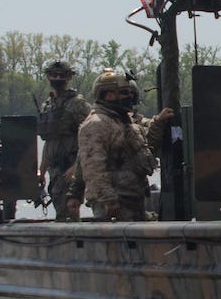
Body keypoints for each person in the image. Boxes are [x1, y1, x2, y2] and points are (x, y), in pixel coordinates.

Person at [75, 70, 175, 220]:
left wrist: (158, 123)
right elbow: (93, 168)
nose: (128, 97)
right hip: (113, 205)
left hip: (134, 200)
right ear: (108, 95)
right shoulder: (97, 124)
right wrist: (109, 200)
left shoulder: (124, 122)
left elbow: (145, 146)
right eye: (123, 93)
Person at [36, 59, 90, 220]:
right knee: (60, 209)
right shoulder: (48, 105)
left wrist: (76, 167)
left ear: (69, 78)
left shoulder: (77, 104)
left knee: (68, 211)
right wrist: (42, 170)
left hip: (70, 166)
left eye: (62, 76)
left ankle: (75, 243)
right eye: (54, 75)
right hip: (54, 168)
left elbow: (89, 137)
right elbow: (49, 142)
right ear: (48, 76)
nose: (57, 79)